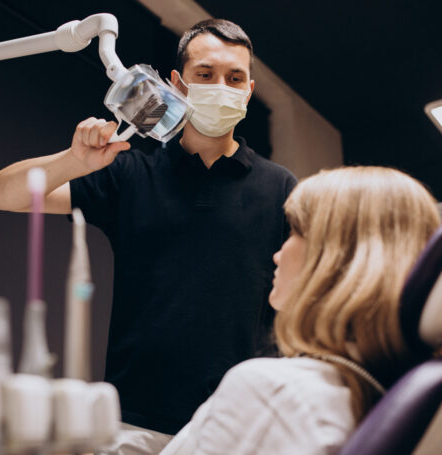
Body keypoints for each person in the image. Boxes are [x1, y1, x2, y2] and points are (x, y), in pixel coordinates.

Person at [0, 19, 297, 453]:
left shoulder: (282, 189)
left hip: (235, 426)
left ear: (248, 89)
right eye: (205, 75)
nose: (221, 87)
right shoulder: (132, 172)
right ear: (177, 83)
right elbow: (1, 193)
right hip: (131, 423)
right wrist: (74, 160)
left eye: (234, 78)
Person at [159, 166, 441, 455]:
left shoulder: (276, 393)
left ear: (338, 256)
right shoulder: (389, 400)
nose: (277, 255)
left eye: (294, 230)